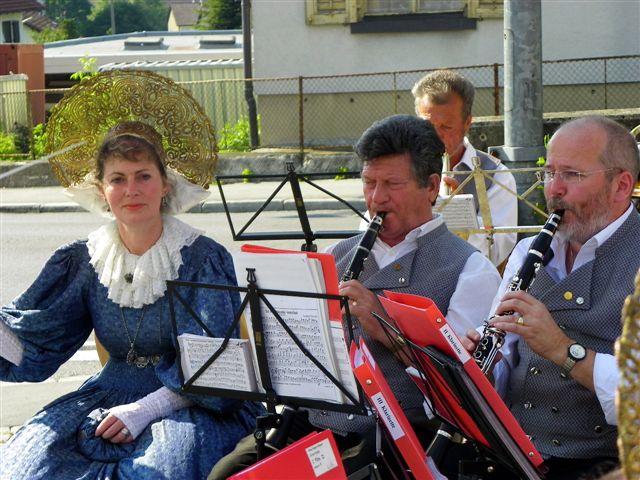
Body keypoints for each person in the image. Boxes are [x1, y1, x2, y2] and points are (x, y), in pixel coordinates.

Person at [209, 114, 501, 478]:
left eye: (392, 184)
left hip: (400, 437)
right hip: (315, 424)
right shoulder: (335, 256)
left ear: (430, 186)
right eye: (369, 183)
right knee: (227, 473)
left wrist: (385, 327)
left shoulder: (470, 270)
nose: (376, 198)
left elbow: (458, 394)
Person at [0, 121, 264, 479]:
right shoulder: (84, 260)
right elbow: (35, 340)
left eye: (143, 176)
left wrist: (146, 409)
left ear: (165, 184)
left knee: (156, 472)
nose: (131, 190)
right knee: (24, 467)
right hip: (107, 393)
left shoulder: (201, 259)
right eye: (118, 179)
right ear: (101, 189)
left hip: (188, 405)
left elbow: (217, 371)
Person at [459, 116, 640, 480]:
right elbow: (508, 362)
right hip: (513, 454)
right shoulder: (528, 251)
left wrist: (562, 349)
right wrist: (483, 368)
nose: (553, 189)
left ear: (621, 185)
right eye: (549, 172)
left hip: (605, 466)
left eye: (572, 175)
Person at [412, 69, 518, 267]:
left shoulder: (496, 175)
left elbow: (496, 252)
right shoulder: (401, 168)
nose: (436, 136)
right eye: (428, 125)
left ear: (467, 122)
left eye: (446, 127)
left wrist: (460, 219)